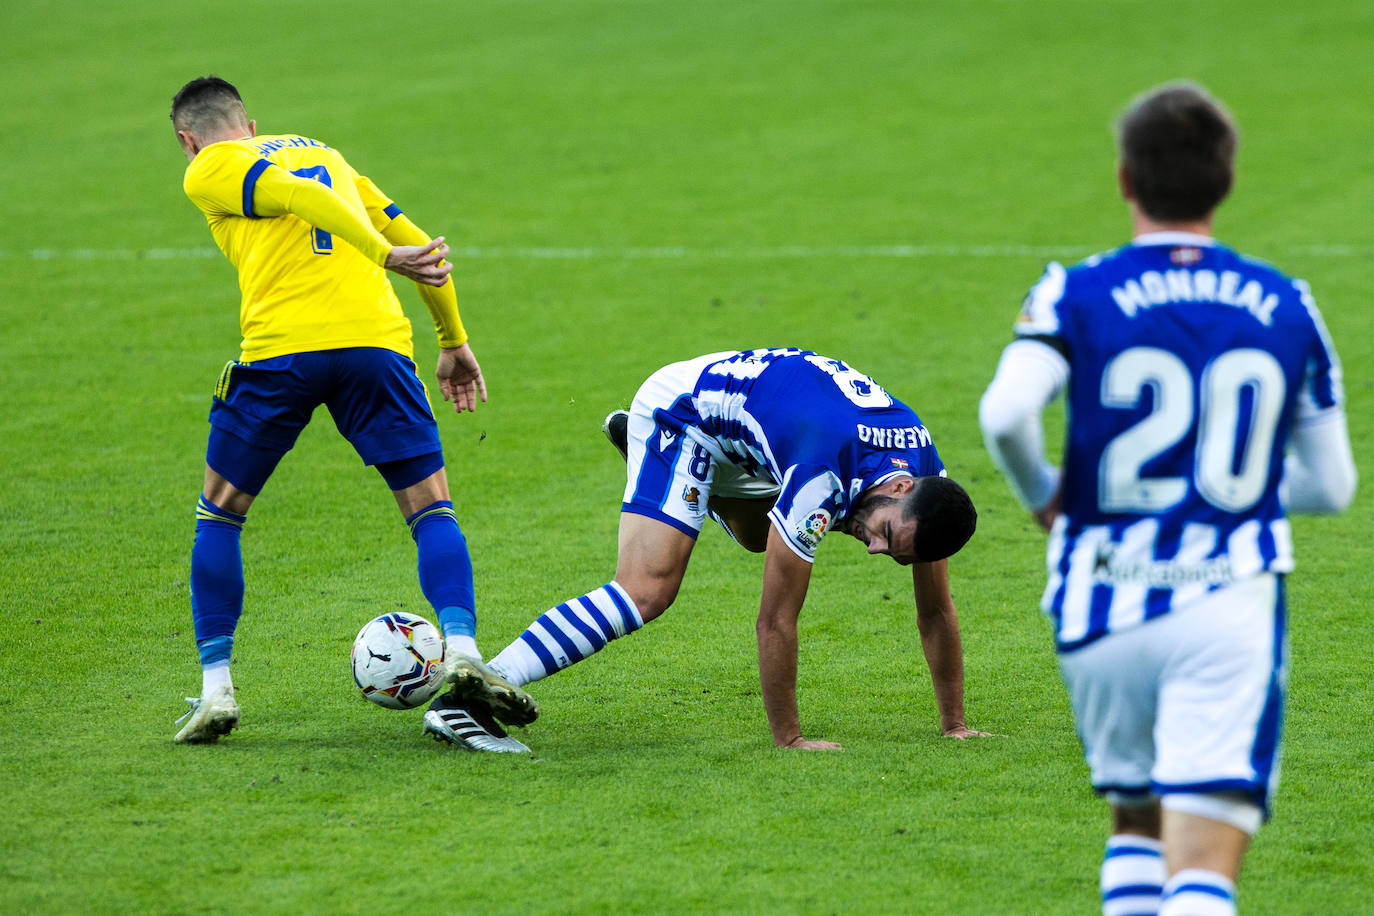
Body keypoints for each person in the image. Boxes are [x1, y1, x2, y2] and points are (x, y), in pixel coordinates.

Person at [979, 82, 1356, 916]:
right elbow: (1333, 487)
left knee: (1137, 825)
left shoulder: (1072, 291)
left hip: (1099, 601)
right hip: (1225, 604)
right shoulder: (1286, 302)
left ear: (1125, 178)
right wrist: (1228, 494)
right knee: (1203, 873)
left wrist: (1043, 494)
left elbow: (1004, 415)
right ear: (1227, 179)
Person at [168, 76, 535, 753]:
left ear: (189, 139)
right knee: (431, 509)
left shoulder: (212, 165)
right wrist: (452, 339)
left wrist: (382, 256)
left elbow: (307, 202)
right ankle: (461, 652)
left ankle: (217, 689)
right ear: (251, 121)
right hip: (376, 346)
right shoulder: (324, 153)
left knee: (220, 513)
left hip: (282, 352)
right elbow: (421, 243)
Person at [471, 347, 987, 750]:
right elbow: (775, 619)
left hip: (757, 434)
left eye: (894, 554)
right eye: (885, 536)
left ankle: (676, 480)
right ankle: (482, 687)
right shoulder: (821, 478)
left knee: (760, 537)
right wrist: (790, 738)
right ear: (899, 487)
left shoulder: (928, 485)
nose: (873, 549)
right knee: (648, 589)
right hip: (684, 412)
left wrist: (955, 725)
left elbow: (936, 610)